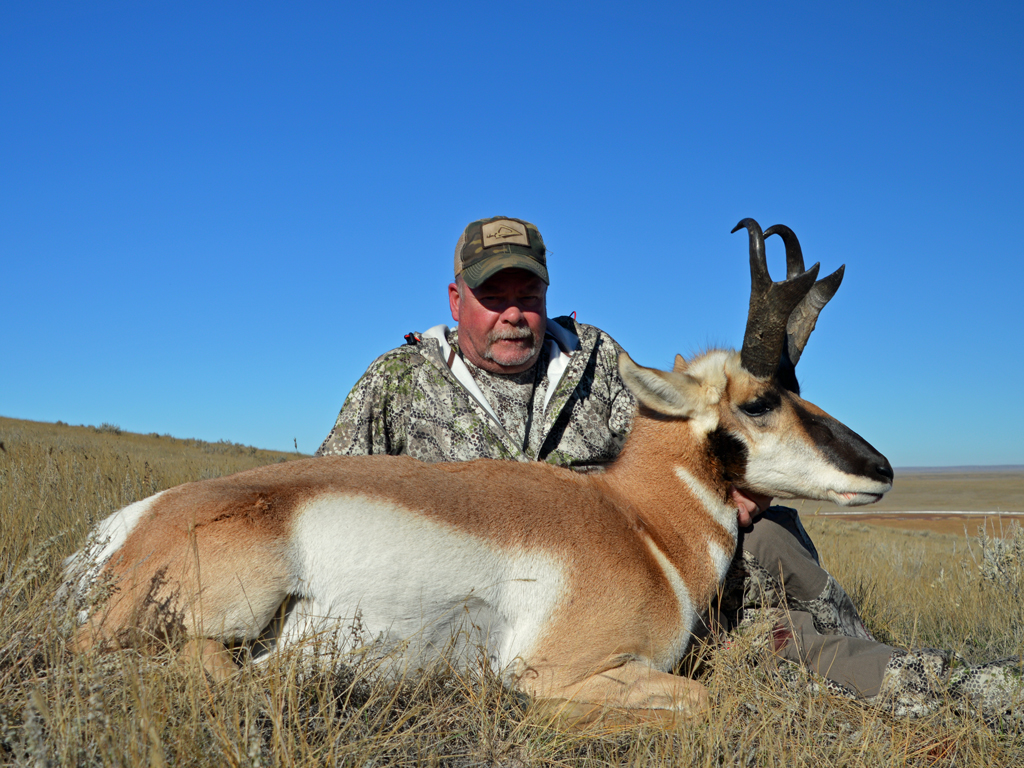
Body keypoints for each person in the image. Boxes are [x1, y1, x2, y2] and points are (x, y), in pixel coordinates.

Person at [317, 216, 1021, 723]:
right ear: (455, 301)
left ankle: (918, 674)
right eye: (492, 297)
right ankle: (922, 684)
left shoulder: (595, 357)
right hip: (502, 591)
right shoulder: (396, 383)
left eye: (526, 296)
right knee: (750, 654)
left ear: (546, 293)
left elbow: (690, 439)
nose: (513, 315)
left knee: (771, 531)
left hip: (628, 565)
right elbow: (331, 497)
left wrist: (736, 482)